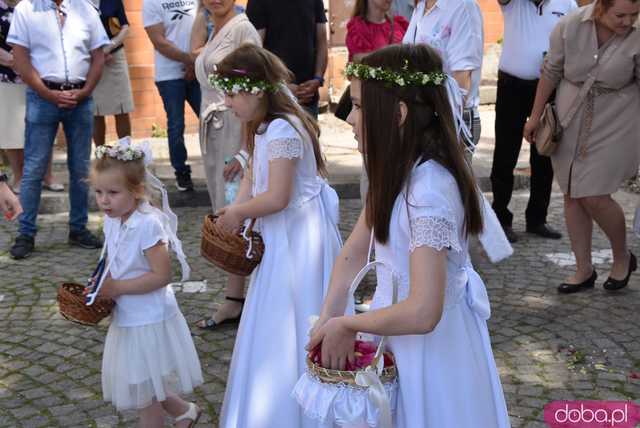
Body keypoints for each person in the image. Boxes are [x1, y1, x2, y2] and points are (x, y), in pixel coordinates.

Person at [307, 44, 510, 427]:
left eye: (359, 107)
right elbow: (354, 252)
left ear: (397, 114)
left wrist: (351, 325)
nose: (349, 119)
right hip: (395, 333)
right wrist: (329, 316)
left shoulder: (428, 192)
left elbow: (423, 310)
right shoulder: (398, 171)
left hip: (432, 350)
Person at [212, 44, 342, 427]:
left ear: (255, 90)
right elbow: (255, 177)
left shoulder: (284, 127)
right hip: (281, 238)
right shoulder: (262, 126)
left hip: (299, 241)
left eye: (233, 93)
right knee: (271, 322)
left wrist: (240, 211)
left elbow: (280, 196)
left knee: (294, 319)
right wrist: (239, 211)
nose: (228, 101)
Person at [524, 0, 640, 293]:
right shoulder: (570, 24)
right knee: (573, 193)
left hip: (617, 117)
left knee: (595, 194)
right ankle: (583, 269)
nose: (628, 21)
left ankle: (622, 256)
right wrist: (535, 117)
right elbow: (550, 71)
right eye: (621, 15)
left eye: (634, 14)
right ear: (601, 7)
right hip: (569, 115)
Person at [89, 138, 203, 427]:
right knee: (146, 381)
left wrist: (118, 288)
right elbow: (117, 262)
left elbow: (161, 275)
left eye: (113, 193)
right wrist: (101, 286)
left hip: (148, 318)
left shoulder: (148, 223)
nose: (104, 200)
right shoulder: (113, 219)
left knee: (144, 393)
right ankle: (185, 411)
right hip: (127, 315)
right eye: (99, 192)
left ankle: (172, 415)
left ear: (137, 190)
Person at [7, 0, 108, 259]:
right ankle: (26, 233)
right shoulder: (26, 9)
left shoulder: (86, 8)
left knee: (80, 167)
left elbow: (99, 55)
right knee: (33, 168)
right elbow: (20, 57)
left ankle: (78, 228)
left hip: (80, 96)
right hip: (42, 97)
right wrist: (45, 93)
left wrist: (86, 91)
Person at [192, 0, 261, 330]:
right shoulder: (212, 26)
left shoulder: (242, 29)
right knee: (225, 207)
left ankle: (238, 298)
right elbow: (193, 51)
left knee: (237, 209)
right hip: (215, 130)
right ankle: (236, 296)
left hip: (235, 129)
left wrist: (246, 151)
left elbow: (256, 91)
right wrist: (199, 14)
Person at [490, 0, 576, 243]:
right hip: (512, 84)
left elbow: (574, 39)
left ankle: (537, 217)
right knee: (506, 152)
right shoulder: (513, 3)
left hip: (550, 86)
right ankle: (500, 217)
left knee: (545, 151)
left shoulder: (566, 3)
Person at [403, 0, 484, 156]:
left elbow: (461, 81)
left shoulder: (463, 6)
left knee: (446, 180)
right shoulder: (420, 8)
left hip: (450, 120)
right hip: (421, 114)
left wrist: (443, 126)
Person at [0, 0, 63, 195]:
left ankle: (47, 176)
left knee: (45, 125)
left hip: (39, 76)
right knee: (12, 131)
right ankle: (19, 177)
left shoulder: (37, 5)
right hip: (6, 76)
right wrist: (12, 59)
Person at [143, 0, 199, 191]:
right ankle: (181, 172)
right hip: (169, 76)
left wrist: (194, 63)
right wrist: (188, 59)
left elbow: (206, 27)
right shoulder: (151, 3)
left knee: (213, 120)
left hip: (197, 70)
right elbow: (159, 41)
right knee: (176, 125)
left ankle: (218, 165)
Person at [246, 0, 329, 117]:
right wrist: (280, 87)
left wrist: (318, 78)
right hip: (273, 100)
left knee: (308, 135)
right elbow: (255, 53)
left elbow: (322, 42)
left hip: (308, 98)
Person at [91, 0, 134, 147]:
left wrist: (109, 47)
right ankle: (100, 154)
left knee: (122, 107)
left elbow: (125, 27)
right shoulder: (76, 3)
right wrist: (96, 53)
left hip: (115, 57)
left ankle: (126, 153)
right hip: (90, 58)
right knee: (95, 110)